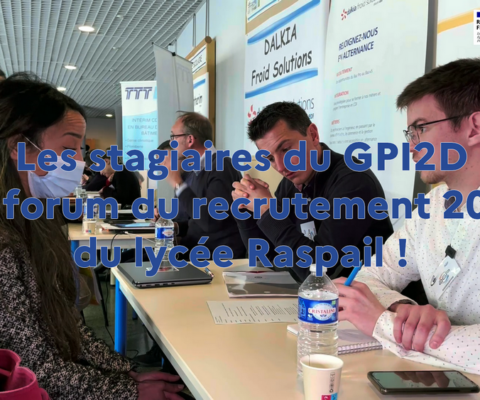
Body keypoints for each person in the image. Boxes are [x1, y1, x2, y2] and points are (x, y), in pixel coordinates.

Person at [0, 73, 185, 399]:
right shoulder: (7, 243)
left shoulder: (35, 222)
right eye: (68, 148)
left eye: (79, 149)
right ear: (19, 147)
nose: (78, 161)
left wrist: (124, 371)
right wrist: (127, 390)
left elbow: (67, 327)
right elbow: (32, 367)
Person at [334, 58, 480, 375]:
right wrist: (404, 311)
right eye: (409, 133)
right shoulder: (432, 206)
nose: (411, 147)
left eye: (421, 129)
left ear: (474, 128)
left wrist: (383, 323)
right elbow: (367, 276)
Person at [232, 102, 394, 282]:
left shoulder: (354, 181)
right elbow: (268, 260)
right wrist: (246, 211)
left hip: (371, 294)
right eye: (270, 158)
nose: (281, 167)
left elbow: (320, 272)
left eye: (286, 150)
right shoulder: (289, 185)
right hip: (317, 295)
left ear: (313, 135)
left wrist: (268, 212)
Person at [162, 112, 246, 259]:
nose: (171, 142)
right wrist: (172, 226)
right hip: (193, 249)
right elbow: (194, 219)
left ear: (190, 139)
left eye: (174, 136)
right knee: (128, 260)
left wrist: (178, 183)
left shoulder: (221, 166)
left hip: (215, 257)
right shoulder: (196, 170)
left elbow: (210, 221)